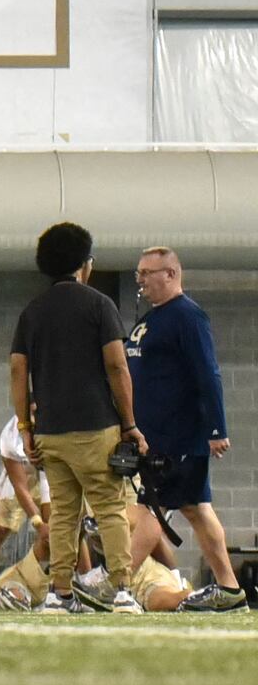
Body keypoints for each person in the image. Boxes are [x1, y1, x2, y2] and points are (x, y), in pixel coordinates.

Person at [9, 222, 145, 612]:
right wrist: (130, 424)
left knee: (65, 513)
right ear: (85, 264)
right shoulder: (99, 304)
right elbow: (117, 367)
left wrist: (25, 428)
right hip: (96, 426)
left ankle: (60, 592)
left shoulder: (32, 311)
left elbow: (19, 371)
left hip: (51, 430)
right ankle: (122, 589)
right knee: (109, 509)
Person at [125, 246, 244, 609]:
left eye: (148, 273)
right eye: (139, 274)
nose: (142, 280)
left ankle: (114, 583)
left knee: (152, 509)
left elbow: (208, 373)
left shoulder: (188, 317)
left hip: (177, 435)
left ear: (171, 274)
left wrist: (215, 429)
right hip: (156, 434)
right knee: (195, 507)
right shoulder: (153, 319)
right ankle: (229, 588)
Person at [0, 415, 42, 575]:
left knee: (64, 528)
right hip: (21, 475)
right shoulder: (10, 438)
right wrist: (37, 521)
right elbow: (20, 486)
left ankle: (84, 578)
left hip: (51, 475)